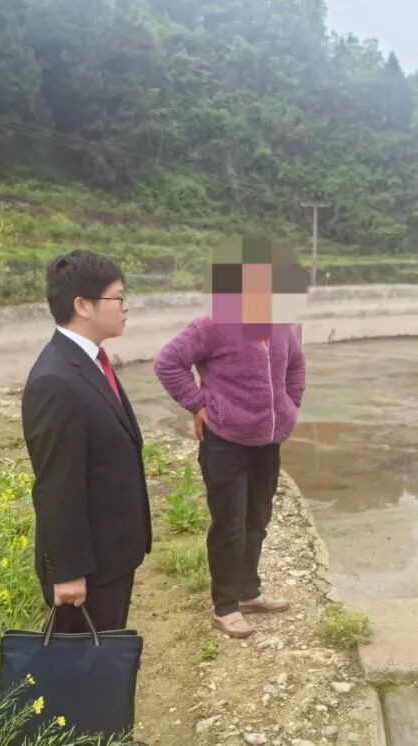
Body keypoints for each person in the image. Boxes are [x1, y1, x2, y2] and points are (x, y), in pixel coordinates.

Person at [154, 238, 307, 639]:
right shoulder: (212, 325)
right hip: (226, 443)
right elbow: (168, 363)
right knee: (230, 525)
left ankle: (248, 591)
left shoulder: (281, 325)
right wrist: (197, 404)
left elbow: (296, 367)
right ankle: (224, 606)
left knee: (257, 519)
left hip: (268, 442)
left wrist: (290, 406)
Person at [21, 250, 152, 633]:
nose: (125, 307)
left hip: (111, 554)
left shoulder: (89, 362)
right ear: (83, 306)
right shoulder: (56, 380)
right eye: (118, 297)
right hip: (87, 568)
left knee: (107, 651)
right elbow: (55, 485)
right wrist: (68, 572)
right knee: (84, 659)